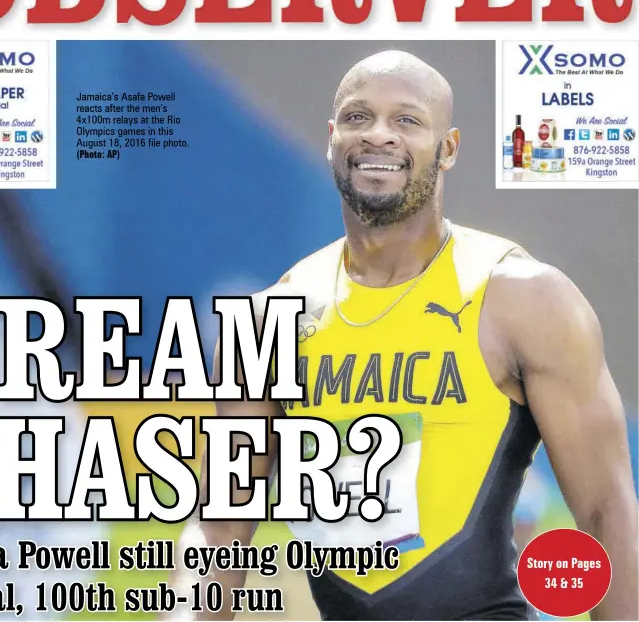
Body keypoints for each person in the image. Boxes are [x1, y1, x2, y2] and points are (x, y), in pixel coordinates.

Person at [173, 51, 638, 620]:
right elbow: (219, 521)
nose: (380, 136)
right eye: (358, 117)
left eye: (408, 121)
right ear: (331, 138)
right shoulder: (271, 317)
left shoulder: (523, 298)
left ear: (448, 149)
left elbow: (605, 509)